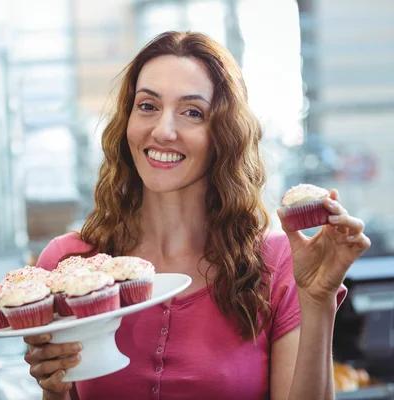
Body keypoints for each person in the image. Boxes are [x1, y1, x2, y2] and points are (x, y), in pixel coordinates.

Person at [23, 31, 371, 400]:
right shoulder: (68, 267)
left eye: (192, 112)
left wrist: (317, 302)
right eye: (147, 106)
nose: (163, 130)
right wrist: (54, 391)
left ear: (224, 134)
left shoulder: (278, 264)